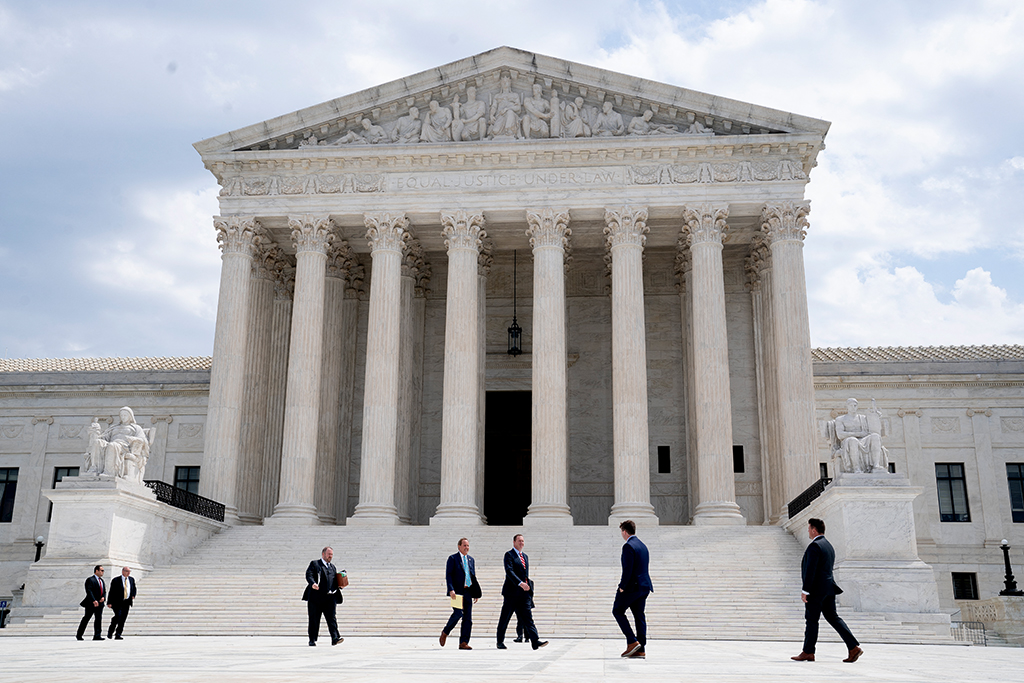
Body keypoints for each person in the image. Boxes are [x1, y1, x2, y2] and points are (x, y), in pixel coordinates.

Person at [792, 518, 862, 663]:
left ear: (813, 529)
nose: (808, 532)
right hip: (828, 589)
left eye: (809, 529)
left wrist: (805, 590)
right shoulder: (828, 546)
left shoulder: (815, 546)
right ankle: (853, 647)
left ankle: (808, 652)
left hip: (816, 590)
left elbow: (811, 570)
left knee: (812, 620)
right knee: (833, 618)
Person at [496, 534, 547, 650]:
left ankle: (535, 641)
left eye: (523, 541)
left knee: (528, 618)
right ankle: (500, 641)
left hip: (524, 594)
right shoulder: (509, 555)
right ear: (514, 542)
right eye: (519, 541)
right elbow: (509, 571)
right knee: (505, 618)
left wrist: (527, 585)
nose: (521, 543)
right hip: (511, 593)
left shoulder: (525, 556)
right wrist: (520, 583)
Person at [613, 520, 652, 659]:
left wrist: (622, 586)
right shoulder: (643, 545)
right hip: (644, 586)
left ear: (624, 531)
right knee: (639, 615)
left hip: (632, 587)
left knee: (617, 610)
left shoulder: (628, 546)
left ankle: (631, 641)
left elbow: (627, 570)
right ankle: (640, 648)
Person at [440, 537, 480, 650]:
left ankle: (463, 642)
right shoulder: (453, 558)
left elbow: (473, 577)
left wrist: (475, 592)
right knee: (458, 613)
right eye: (464, 545)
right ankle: (445, 632)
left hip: (468, 591)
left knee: (468, 618)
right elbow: (449, 575)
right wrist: (450, 589)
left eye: (467, 546)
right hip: (457, 592)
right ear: (459, 547)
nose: (466, 548)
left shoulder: (471, 560)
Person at [302, 546, 343, 647]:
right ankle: (312, 639)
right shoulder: (315, 564)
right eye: (329, 554)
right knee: (314, 619)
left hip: (330, 598)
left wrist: (340, 586)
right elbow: (309, 574)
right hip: (316, 598)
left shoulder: (333, 567)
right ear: (323, 554)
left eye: (332, 555)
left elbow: (334, 582)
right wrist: (312, 583)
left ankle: (335, 638)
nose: (330, 556)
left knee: (332, 618)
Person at [76, 565, 106, 641]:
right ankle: (79, 635)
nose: (103, 572)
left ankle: (97, 635)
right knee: (86, 618)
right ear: (96, 571)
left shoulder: (102, 581)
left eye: (103, 571)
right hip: (91, 603)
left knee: (98, 619)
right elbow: (89, 591)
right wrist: (94, 600)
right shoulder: (90, 580)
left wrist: (103, 597)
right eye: (101, 570)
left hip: (100, 604)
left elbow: (104, 591)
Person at [106, 566, 136, 640]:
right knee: (118, 616)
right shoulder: (116, 580)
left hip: (127, 602)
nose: (128, 573)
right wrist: (109, 602)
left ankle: (118, 634)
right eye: (127, 571)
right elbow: (111, 591)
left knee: (123, 619)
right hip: (117, 602)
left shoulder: (131, 579)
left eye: (129, 571)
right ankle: (111, 631)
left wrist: (133, 595)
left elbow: (134, 588)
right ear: (123, 571)